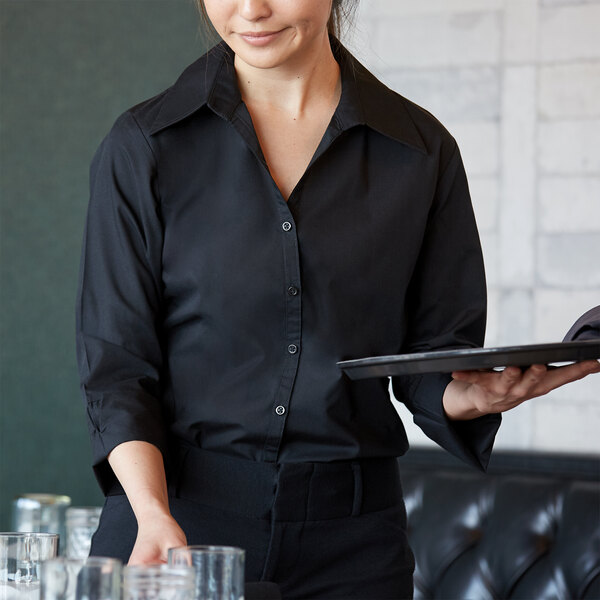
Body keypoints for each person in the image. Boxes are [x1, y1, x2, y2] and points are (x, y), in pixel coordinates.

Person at [76, 1, 600, 597]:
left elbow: (431, 353)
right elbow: (117, 368)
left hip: (355, 548)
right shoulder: (144, 146)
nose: (250, 9)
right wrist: (150, 509)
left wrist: (466, 394)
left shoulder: (421, 152)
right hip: (171, 529)